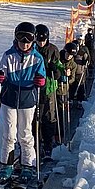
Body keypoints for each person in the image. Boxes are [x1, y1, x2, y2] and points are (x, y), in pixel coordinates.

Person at [0, 21, 46, 186]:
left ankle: (27, 166)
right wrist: (0, 77)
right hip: (9, 97)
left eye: (28, 39)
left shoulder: (37, 58)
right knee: (9, 133)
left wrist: (41, 80)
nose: (24, 43)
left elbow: (42, 76)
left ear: (33, 40)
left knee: (25, 133)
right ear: (16, 38)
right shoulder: (8, 55)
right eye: (21, 38)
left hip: (27, 99)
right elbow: (1, 71)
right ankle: (7, 165)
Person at [34, 23, 64, 159]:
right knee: (36, 117)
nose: (41, 43)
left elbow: (59, 67)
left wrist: (56, 71)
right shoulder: (32, 50)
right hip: (35, 88)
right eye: (38, 40)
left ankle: (48, 144)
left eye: (43, 40)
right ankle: (36, 143)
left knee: (49, 117)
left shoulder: (53, 49)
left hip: (49, 88)